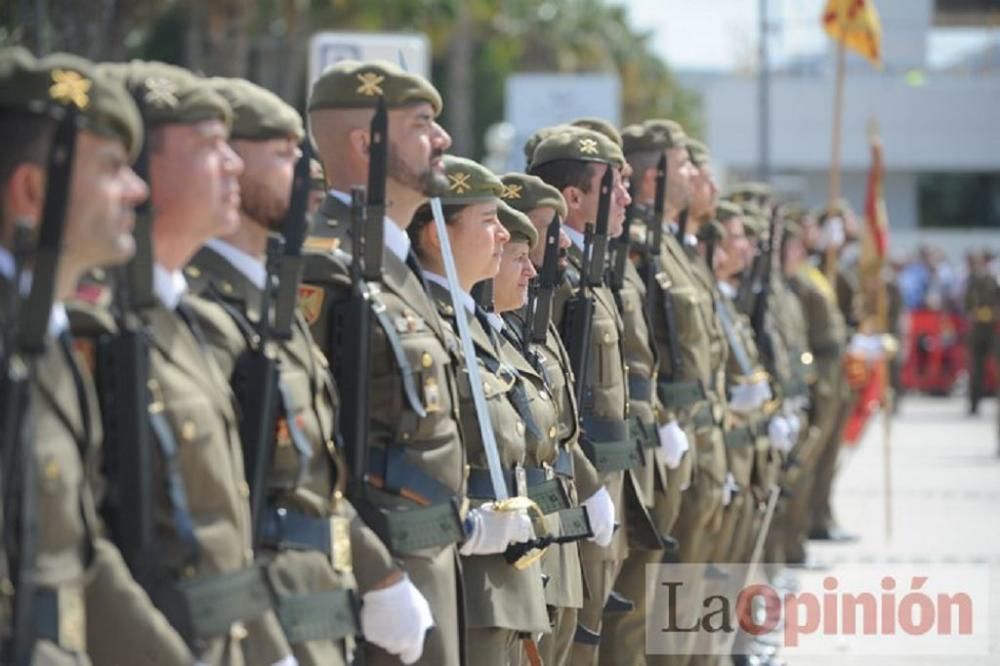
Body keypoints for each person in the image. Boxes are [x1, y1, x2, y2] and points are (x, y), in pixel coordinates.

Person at [184, 76, 431, 666]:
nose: (304, 170)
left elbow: (318, 477)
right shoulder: (204, 308)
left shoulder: (274, 302)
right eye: (282, 154)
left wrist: (379, 574)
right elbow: (216, 505)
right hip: (262, 614)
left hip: (318, 602)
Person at [69, 60, 295, 665]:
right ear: (146, 167)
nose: (233, 166)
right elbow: (82, 544)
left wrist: (271, 651)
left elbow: (227, 540)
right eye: (208, 147)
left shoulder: (189, 322)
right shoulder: (96, 329)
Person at [0, 47, 198, 665]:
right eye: (112, 167)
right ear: (33, 191)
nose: (137, 190)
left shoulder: (45, 339)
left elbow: (80, 558)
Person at [299, 59, 466, 666]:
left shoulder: (397, 265)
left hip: (431, 558)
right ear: (366, 142)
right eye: (422, 124)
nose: (442, 140)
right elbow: (310, 453)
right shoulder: (326, 267)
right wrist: (375, 573)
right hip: (386, 572)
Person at [409, 155, 549, 664]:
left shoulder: (479, 323)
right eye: (488, 222)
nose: (500, 237)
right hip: (470, 578)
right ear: (435, 236)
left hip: (506, 575)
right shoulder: (432, 322)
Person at [528, 125, 635, 665]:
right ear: (573, 198)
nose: (626, 200)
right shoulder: (547, 277)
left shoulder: (589, 271)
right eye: (612, 188)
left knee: (589, 628)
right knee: (573, 639)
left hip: (606, 476)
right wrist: (590, 483)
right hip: (577, 477)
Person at [498, 172, 606, 666]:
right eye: (547, 230)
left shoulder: (537, 320)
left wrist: (589, 487)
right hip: (528, 529)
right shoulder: (499, 324)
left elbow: (563, 430)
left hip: (559, 519)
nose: (562, 242)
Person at [963, 250, 998, 415]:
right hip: (977, 329)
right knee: (976, 368)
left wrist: (993, 312)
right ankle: (974, 403)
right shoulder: (972, 281)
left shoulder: (994, 279)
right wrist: (975, 312)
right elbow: (967, 303)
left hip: (993, 329)